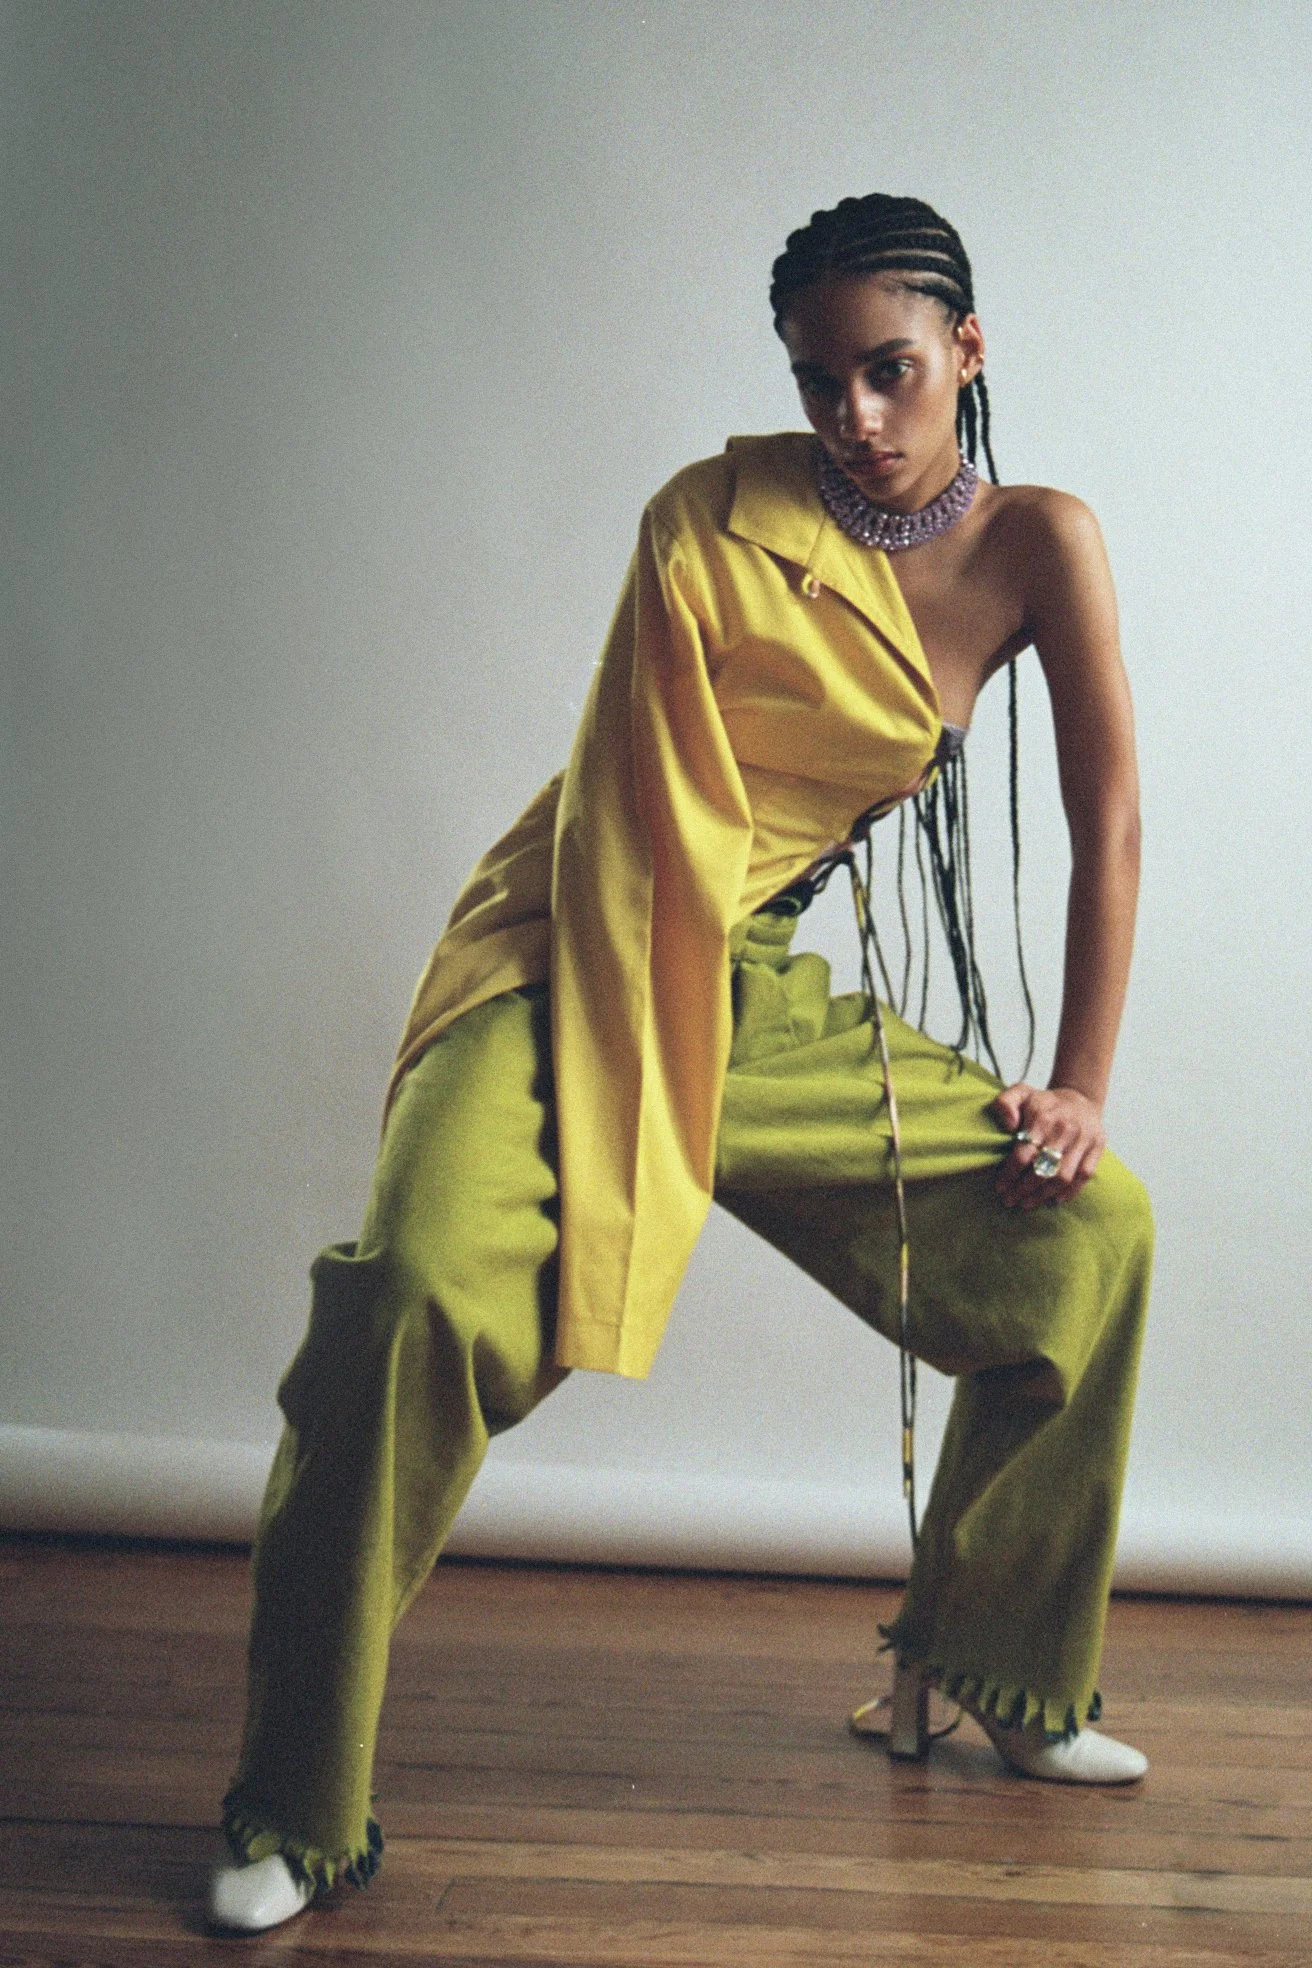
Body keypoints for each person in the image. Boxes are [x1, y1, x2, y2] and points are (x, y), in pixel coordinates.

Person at [207, 193, 1153, 1935]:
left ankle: (991, 1684)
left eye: (888, 371)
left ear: (967, 351)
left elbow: (1108, 816)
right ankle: (291, 1804)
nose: (853, 420)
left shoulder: (1043, 543)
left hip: (745, 976)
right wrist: (620, 1093)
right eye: (819, 383)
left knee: (1086, 1237)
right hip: (571, 941)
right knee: (412, 1294)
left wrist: (1077, 1081)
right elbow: (636, 832)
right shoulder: (710, 521)